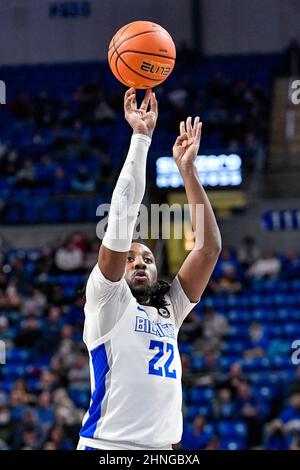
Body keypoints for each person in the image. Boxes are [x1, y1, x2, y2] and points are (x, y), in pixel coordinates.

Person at [77, 88, 221, 450]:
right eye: (130, 258)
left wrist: (188, 172)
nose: (139, 261)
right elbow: (122, 218)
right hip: (107, 448)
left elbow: (208, 248)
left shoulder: (169, 310)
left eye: (148, 259)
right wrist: (141, 138)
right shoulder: (106, 299)